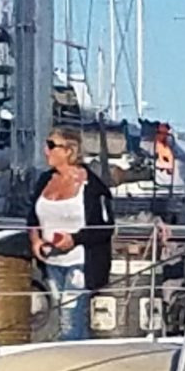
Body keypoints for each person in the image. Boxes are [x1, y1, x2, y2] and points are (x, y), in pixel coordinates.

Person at [26, 128, 113, 341]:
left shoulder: (92, 186)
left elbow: (105, 228)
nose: (46, 151)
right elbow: (32, 216)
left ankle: (71, 359)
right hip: (51, 260)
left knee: (70, 316)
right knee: (56, 313)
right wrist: (35, 239)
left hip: (80, 262)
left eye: (51, 145)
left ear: (69, 150)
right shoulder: (45, 180)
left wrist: (74, 239)